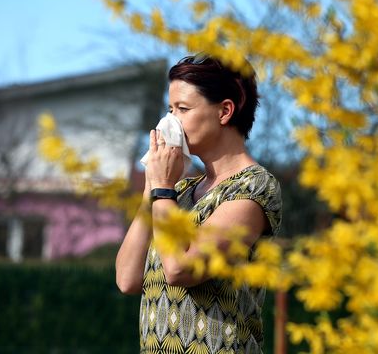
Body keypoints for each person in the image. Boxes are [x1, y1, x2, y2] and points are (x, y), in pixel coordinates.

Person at [115, 54, 282, 354]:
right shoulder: (178, 193)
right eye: (169, 109)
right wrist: (153, 187)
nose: (170, 122)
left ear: (224, 111)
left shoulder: (253, 187)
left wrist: (164, 190)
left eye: (183, 109)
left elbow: (181, 268)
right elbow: (128, 279)